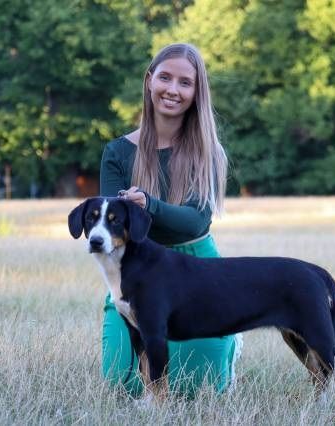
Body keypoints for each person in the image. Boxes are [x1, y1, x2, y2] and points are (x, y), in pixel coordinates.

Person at [99, 43, 242, 397]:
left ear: (196, 92)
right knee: (123, 386)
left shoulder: (209, 152)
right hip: (137, 269)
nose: (172, 90)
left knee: (197, 389)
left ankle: (230, 341)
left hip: (197, 268)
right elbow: (112, 225)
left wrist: (147, 205)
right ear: (149, 80)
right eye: (165, 77)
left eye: (185, 82)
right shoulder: (117, 153)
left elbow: (194, 222)